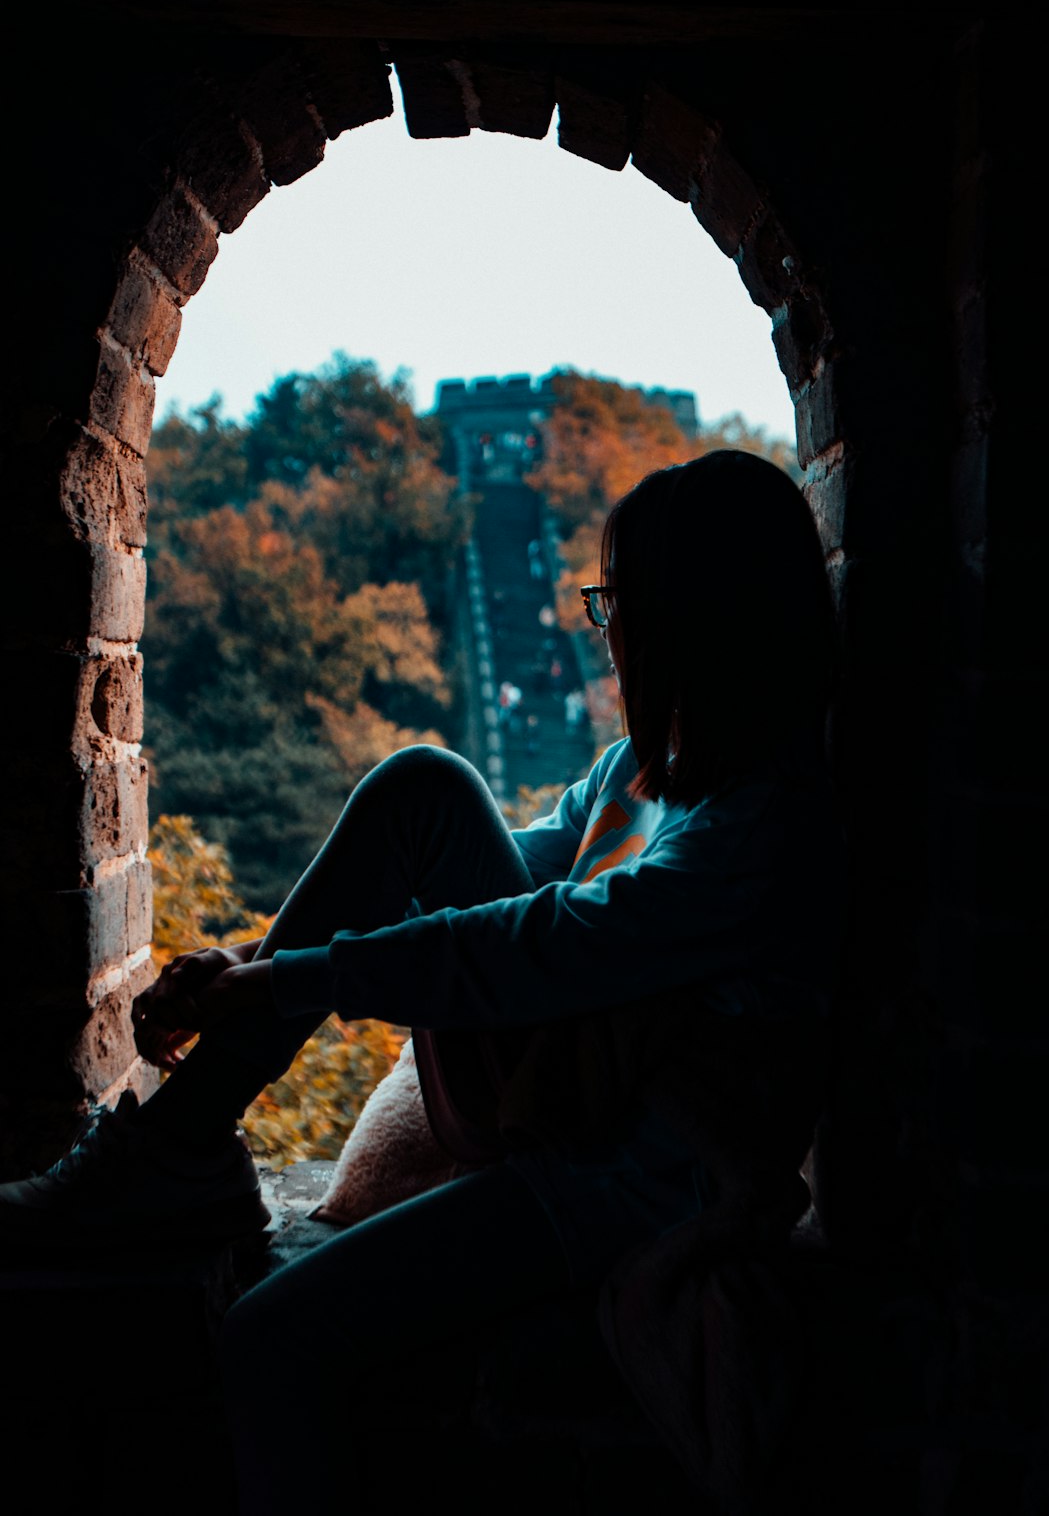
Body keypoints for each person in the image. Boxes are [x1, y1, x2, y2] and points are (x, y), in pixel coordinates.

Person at [0, 449, 843, 1509]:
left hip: (621, 1186)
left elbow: (536, 943)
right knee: (426, 789)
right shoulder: (645, 768)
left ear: (691, 620)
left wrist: (282, 985)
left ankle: (171, 1157)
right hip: (565, 1098)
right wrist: (256, 964)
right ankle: (180, 1148)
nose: (607, 630)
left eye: (616, 603)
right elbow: (510, 877)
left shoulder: (760, 832)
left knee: (271, 1341)